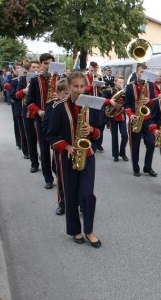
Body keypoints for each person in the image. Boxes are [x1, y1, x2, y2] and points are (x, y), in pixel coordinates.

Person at [46, 71, 102, 248]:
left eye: (81, 86)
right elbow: (51, 135)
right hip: (68, 157)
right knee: (70, 195)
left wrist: (91, 130)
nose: (79, 90)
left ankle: (89, 230)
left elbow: (99, 132)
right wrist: (67, 147)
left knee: (87, 194)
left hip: (88, 156)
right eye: (75, 86)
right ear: (69, 87)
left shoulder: (91, 105)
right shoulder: (59, 108)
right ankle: (74, 230)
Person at [25, 53, 58, 189]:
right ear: (41, 65)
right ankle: (48, 178)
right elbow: (29, 102)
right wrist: (38, 111)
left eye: (50, 63)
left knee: (57, 147)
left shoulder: (59, 79)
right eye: (45, 63)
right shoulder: (34, 80)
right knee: (44, 150)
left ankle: (57, 170)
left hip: (57, 119)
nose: (48, 66)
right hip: (42, 120)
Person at [124, 63, 157, 177]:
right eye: (141, 72)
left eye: (144, 72)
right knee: (135, 145)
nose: (143, 74)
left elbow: (156, 100)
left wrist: (150, 101)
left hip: (148, 119)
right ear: (136, 73)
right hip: (135, 119)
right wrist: (131, 115)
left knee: (151, 144)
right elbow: (127, 104)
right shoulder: (129, 86)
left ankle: (147, 167)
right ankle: (136, 168)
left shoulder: (151, 85)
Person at [44, 79, 71, 216]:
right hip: (60, 147)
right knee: (61, 176)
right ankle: (62, 203)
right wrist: (58, 143)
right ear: (59, 94)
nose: (69, 96)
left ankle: (79, 202)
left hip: (75, 145)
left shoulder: (76, 104)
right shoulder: (53, 106)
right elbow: (47, 128)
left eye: (70, 93)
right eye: (66, 93)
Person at [17, 61, 41, 172]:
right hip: (27, 113)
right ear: (30, 69)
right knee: (31, 140)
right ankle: (34, 163)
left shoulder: (42, 79)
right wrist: (24, 91)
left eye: (37, 67)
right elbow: (15, 95)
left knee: (43, 140)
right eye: (33, 67)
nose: (35, 69)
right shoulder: (22, 79)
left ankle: (44, 159)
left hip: (40, 113)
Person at [103, 76, 129, 162]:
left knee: (125, 135)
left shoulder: (125, 92)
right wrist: (110, 101)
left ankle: (123, 153)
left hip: (121, 115)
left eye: (122, 82)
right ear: (115, 82)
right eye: (119, 82)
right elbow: (103, 99)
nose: (121, 84)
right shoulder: (109, 90)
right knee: (114, 136)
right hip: (112, 115)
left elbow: (128, 102)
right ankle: (115, 155)